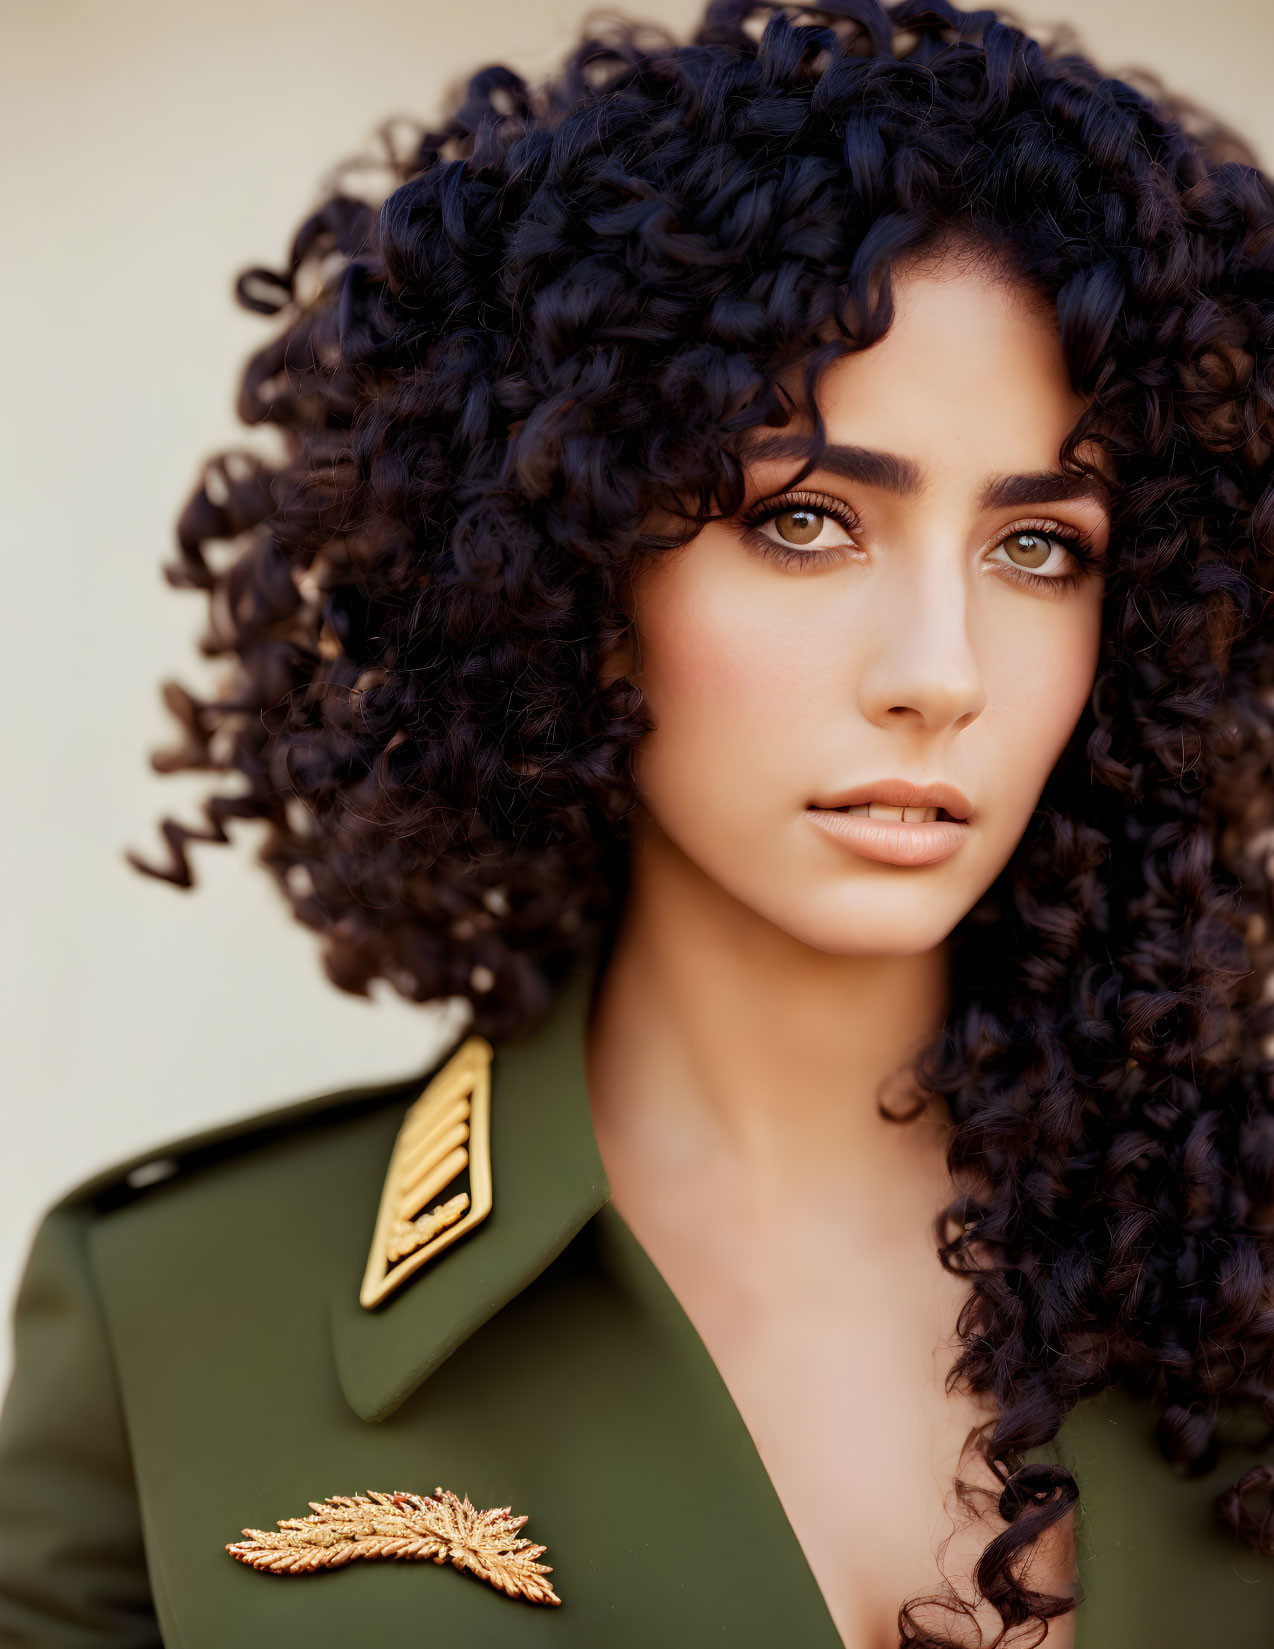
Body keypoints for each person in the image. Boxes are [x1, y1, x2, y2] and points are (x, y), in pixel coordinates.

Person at [3, 0, 1274, 1643]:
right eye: (804, 519)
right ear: (565, 563)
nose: (936, 673)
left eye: (1039, 548)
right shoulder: (179, 1322)